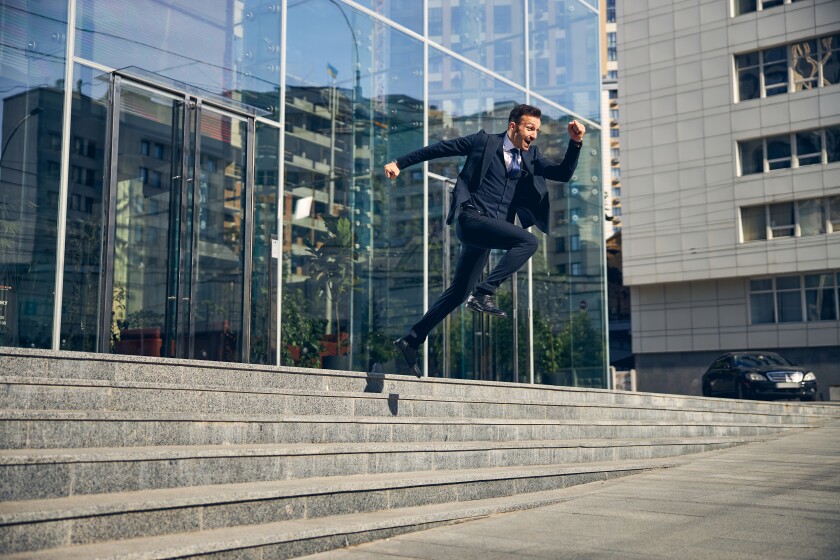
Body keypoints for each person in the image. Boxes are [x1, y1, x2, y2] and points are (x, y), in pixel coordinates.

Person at [384, 104, 585, 377]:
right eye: (529, 128)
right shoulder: (483, 142)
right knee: (528, 242)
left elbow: (563, 174)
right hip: (470, 218)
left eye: (536, 130)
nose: (534, 135)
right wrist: (399, 163)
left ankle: (411, 340)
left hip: (489, 231)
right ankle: (485, 292)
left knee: (458, 292)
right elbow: (438, 149)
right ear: (513, 126)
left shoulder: (531, 157)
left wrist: (575, 143)